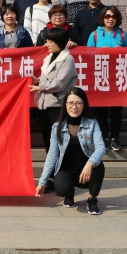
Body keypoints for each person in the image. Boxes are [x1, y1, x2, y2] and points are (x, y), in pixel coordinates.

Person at [36, 87, 106, 215]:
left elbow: (101, 146)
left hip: (86, 170)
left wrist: (90, 163)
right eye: (71, 103)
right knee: (61, 189)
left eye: (78, 103)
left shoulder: (92, 124)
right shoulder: (57, 127)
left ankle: (92, 199)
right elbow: (52, 155)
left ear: (84, 105)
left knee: (98, 166)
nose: (74, 107)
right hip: (66, 170)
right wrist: (42, 182)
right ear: (65, 104)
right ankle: (69, 194)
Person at [87, 7, 127, 151]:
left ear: (117, 19)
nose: (110, 19)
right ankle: (104, 137)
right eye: (107, 16)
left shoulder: (123, 35)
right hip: (101, 77)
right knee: (102, 111)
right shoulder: (94, 35)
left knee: (117, 111)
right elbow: (87, 55)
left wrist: (121, 52)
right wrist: (100, 51)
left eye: (113, 16)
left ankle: (115, 138)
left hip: (118, 77)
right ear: (102, 18)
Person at [30, 27, 78, 154]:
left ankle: (62, 167)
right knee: (47, 137)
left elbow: (60, 83)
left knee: (60, 137)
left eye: (51, 41)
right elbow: (47, 78)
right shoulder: (49, 57)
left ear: (60, 42)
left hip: (58, 104)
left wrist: (40, 87)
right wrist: (38, 80)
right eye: (47, 41)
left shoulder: (67, 59)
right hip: (44, 104)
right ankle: (51, 167)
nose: (47, 44)